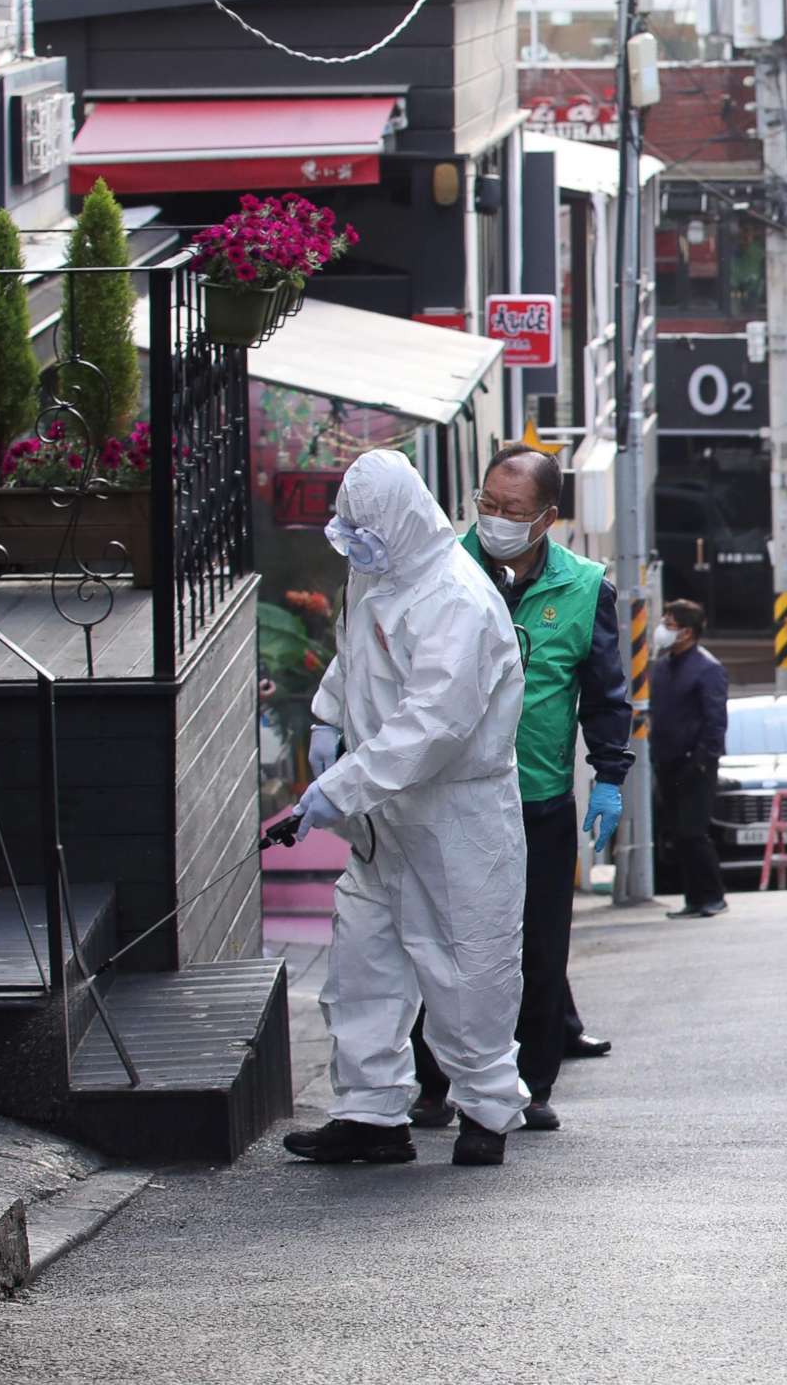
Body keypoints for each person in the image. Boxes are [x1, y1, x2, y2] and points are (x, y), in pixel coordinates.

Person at [282, 449, 531, 1168]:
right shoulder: (377, 572)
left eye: (368, 528)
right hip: (383, 813)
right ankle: (370, 1112)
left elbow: (436, 725)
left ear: (401, 518)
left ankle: (486, 1109)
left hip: (456, 814)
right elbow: (353, 657)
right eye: (350, 528)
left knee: (468, 964)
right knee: (363, 962)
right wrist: (331, 719)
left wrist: (343, 784)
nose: (356, 542)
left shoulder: (456, 598)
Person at [392, 446, 632, 1133]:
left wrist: (610, 776)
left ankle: (533, 1080)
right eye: (487, 505)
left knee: (536, 947)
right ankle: (434, 1082)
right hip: (451, 796)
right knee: (445, 942)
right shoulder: (442, 569)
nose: (495, 519)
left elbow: (606, 694)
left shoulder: (586, 585)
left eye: (513, 511)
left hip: (538, 798)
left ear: (549, 518)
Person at [650, 598, 730, 919]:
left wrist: (700, 760)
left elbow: (715, 723)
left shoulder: (708, 669)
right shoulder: (663, 666)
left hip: (695, 766)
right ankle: (694, 899)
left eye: (670, 624)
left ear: (687, 632)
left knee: (693, 832)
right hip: (667, 763)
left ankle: (713, 896)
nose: (663, 630)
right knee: (678, 834)